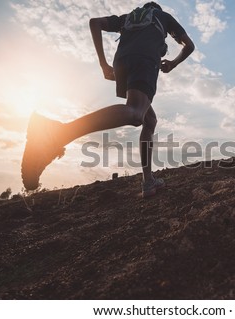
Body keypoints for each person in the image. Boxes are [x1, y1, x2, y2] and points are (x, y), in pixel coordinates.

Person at [21, 1, 195, 198]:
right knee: (136, 113)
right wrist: (172, 63)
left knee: (149, 119)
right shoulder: (163, 16)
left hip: (121, 62)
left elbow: (95, 22)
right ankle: (59, 134)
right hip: (145, 60)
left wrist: (103, 64)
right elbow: (189, 45)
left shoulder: (128, 17)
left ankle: (148, 182)